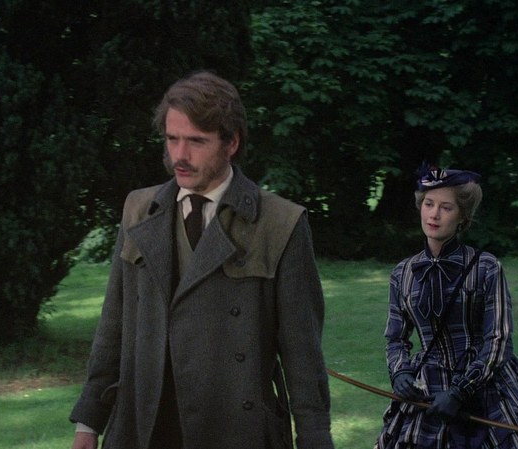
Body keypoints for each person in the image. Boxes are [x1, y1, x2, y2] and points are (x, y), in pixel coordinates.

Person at [69, 71, 335, 449]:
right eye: (172, 139)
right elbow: (113, 327)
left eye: (196, 141)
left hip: (235, 431)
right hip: (143, 427)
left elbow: (303, 355)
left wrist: (315, 438)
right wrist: (88, 423)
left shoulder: (280, 223)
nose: (179, 155)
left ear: (231, 143)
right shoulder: (139, 210)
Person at [374, 167, 518, 449]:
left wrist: (459, 391)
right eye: (428, 204)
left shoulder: (486, 267)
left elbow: (498, 340)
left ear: (462, 217)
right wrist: (400, 373)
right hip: (426, 390)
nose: (434, 214)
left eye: (446, 207)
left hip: (484, 389)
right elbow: (395, 337)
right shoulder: (403, 273)